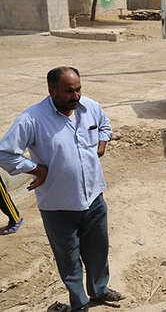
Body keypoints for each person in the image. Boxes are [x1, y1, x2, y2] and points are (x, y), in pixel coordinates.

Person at [0, 67, 124, 312]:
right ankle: (80, 304)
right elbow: (5, 153)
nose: (76, 96)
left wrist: (102, 142)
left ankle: (99, 290)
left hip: (94, 199)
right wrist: (36, 169)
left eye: (78, 89)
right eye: (69, 91)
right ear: (52, 91)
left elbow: (105, 125)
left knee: (98, 251)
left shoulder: (90, 107)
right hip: (58, 206)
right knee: (69, 260)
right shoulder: (32, 119)